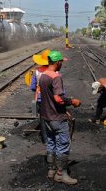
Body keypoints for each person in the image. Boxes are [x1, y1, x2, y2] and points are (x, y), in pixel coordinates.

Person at [39, 50, 81, 185]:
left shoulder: (43, 75)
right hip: (57, 118)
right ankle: (61, 174)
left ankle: (51, 169)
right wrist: (72, 102)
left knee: (51, 142)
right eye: (61, 62)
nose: (62, 64)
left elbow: (48, 98)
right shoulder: (56, 77)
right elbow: (58, 98)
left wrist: (64, 111)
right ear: (57, 62)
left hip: (46, 116)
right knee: (63, 144)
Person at [30, 49, 51, 144]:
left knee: (42, 119)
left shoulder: (37, 72)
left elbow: (33, 87)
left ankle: (45, 140)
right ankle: (53, 138)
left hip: (40, 99)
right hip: (52, 99)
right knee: (53, 117)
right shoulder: (56, 72)